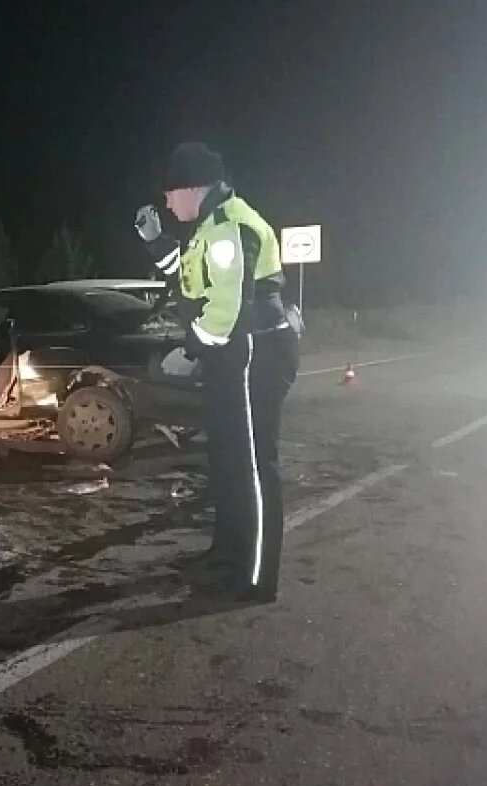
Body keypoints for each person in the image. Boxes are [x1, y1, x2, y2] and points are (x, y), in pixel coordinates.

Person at [134, 142, 299, 601]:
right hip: (235, 357)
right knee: (228, 464)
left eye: (170, 195)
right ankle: (227, 557)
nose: (167, 203)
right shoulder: (210, 227)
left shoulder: (229, 225)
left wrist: (188, 351)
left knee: (251, 468)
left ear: (191, 187)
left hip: (254, 355)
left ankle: (253, 578)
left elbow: (226, 309)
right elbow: (185, 279)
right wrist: (155, 242)